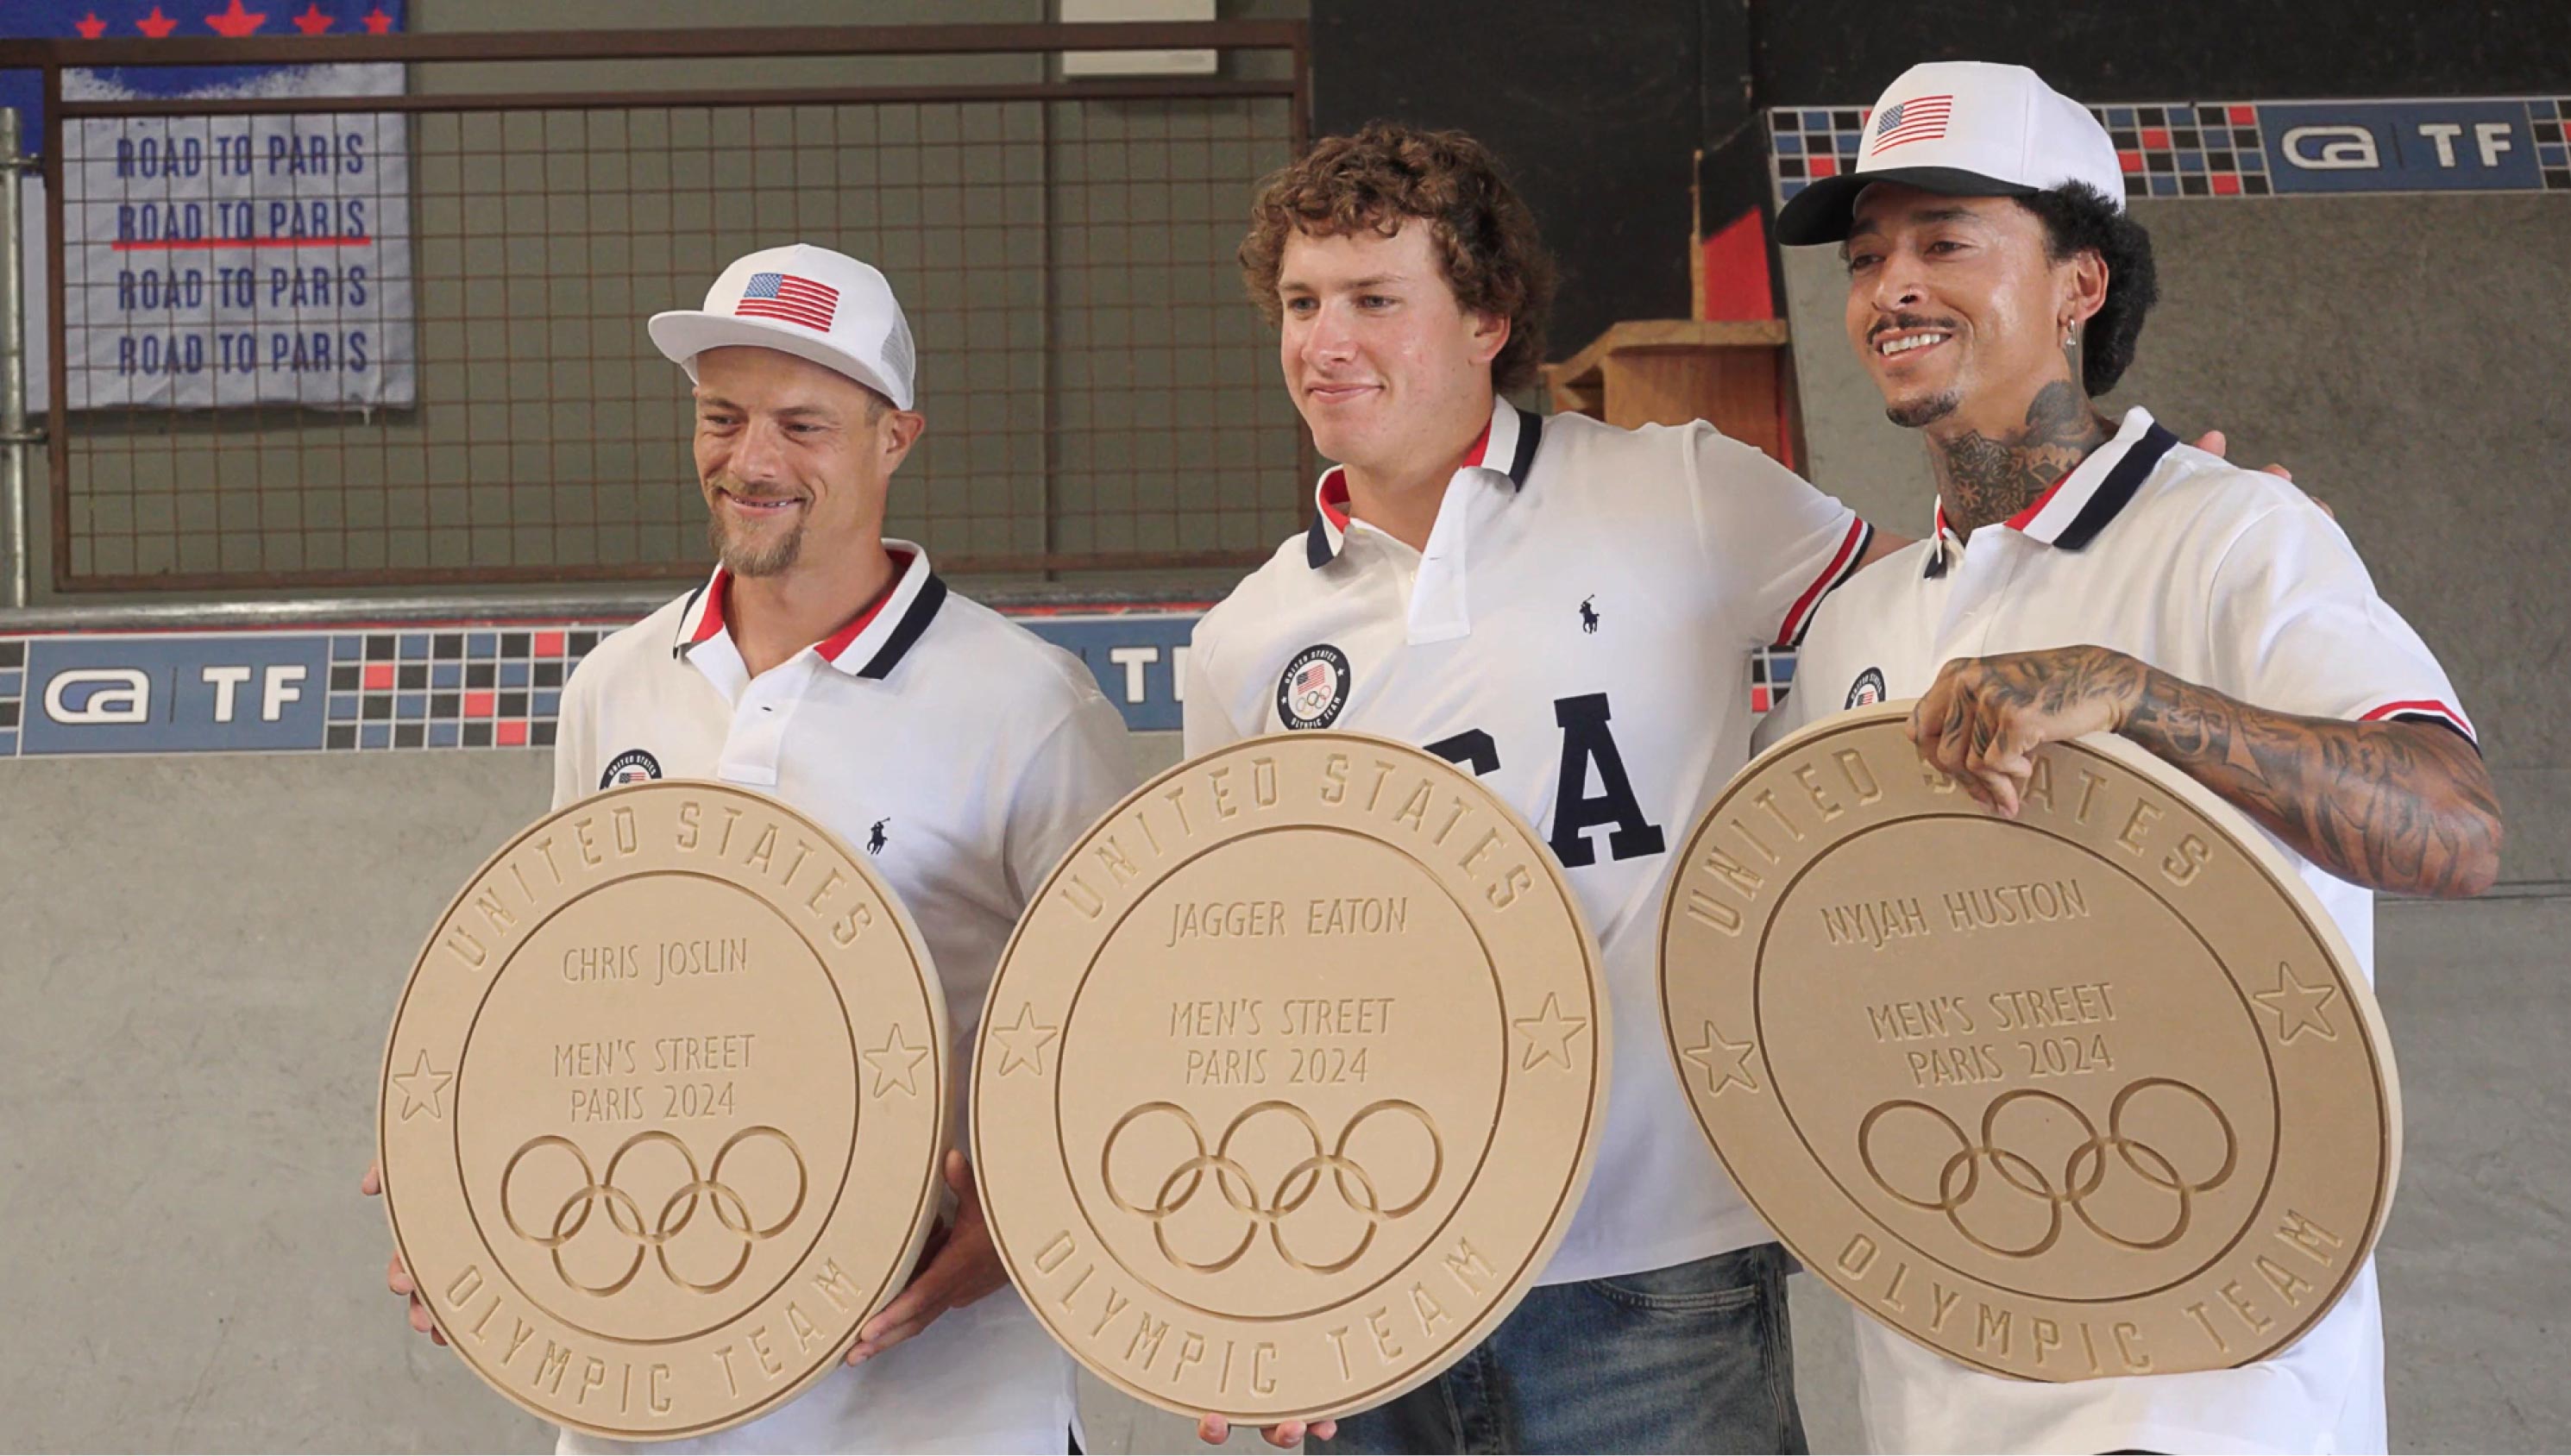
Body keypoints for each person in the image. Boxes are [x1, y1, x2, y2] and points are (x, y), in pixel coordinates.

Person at [1767, 60, 2501, 1454]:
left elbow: (2456, 828)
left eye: (1945, 243)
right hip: (1948, 1365)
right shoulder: (1860, 617)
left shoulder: (2236, 536)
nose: (1889, 289)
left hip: (2206, 1377)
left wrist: (2134, 694)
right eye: (1868, 258)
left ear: (2079, 284)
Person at [1177, 121, 1932, 1454]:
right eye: (1300, 303)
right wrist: (1264, 1285)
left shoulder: (1684, 493)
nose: (1324, 341)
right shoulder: (1246, 639)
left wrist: (2133, 545)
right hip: (1378, 1276)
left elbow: (1926, 630)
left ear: (1488, 317)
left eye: (1372, 300)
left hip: (1659, 1272)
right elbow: (1240, 983)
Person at [362, 242, 1136, 1454]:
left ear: (896, 439)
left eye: (803, 424)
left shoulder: (1029, 704)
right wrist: (475, 1200)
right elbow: (572, 1000)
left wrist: (1004, 1236)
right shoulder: (617, 688)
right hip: (650, 1393)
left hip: (942, 1406)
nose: (752, 461)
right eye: (721, 418)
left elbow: (1122, 1049)